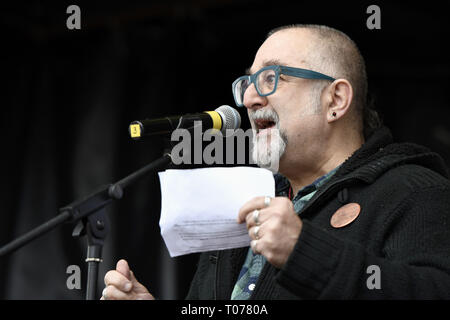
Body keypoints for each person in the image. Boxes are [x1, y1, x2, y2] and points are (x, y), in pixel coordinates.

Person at [101, 24, 450, 300]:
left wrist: (305, 252)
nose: (250, 98)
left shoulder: (414, 191)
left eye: (271, 79)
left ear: (336, 99)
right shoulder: (246, 202)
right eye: (247, 82)